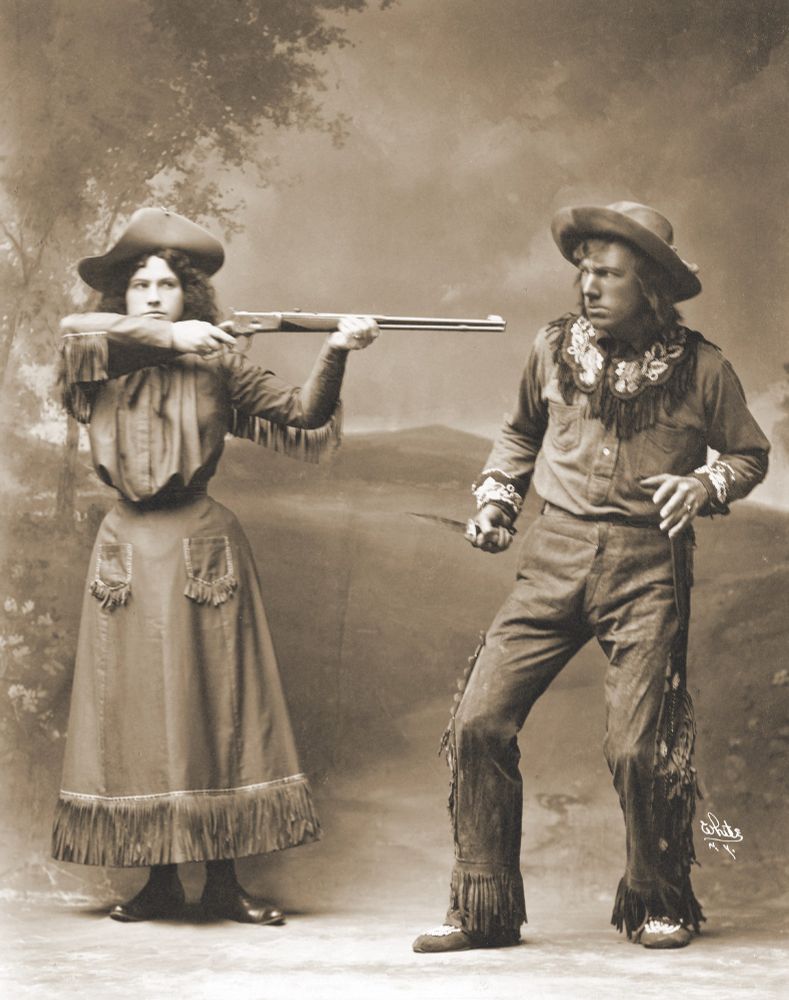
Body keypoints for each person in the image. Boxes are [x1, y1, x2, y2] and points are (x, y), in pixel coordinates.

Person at [412, 202, 769, 953]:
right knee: (478, 722)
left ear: (650, 287)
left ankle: (659, 900)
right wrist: (497, 503)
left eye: (607, 274)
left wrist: (702, 485)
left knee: (639, 749)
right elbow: (519, 434)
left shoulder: (703, 369)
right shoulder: (551, 350)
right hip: (552, 558)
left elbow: (747, 455)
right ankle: (481, 908)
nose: (587, 286)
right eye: (583, 271)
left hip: (648, 570)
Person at [52, 207, 378, 923]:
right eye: (141, 284)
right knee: (140, 715)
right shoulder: (96, 355)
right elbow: (74, 330)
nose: (154, 295)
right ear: (123, 296)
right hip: (126, 556)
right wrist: (171, 337)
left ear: (189, 294)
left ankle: (225, 883)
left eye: (168, 285)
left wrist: (338, 349)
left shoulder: (219, 362)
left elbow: (302, 413)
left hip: (203, 551)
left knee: (217, 711)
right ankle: (160, 881)